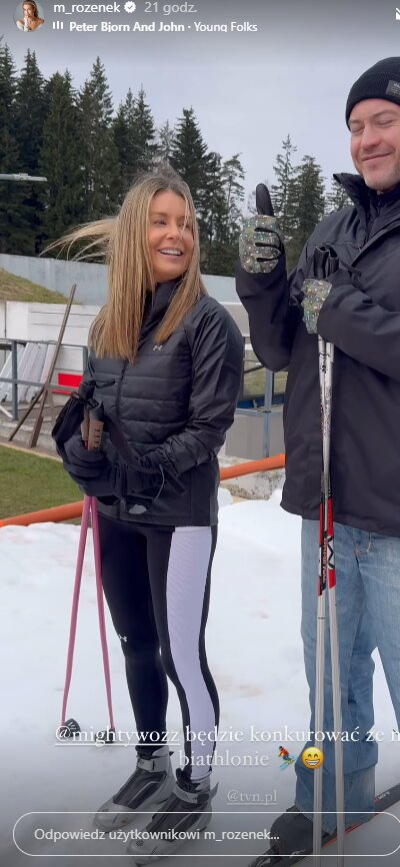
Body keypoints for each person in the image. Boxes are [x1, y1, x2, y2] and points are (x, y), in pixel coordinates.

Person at [236, 57, 400, 866]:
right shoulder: (336, 225)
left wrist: (348, 314)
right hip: (329, 501)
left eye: (381, 121)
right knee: (331, 686)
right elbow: (286, 346)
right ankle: (330, 798)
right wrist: (261, 283)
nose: (364, 138)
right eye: (354, 125)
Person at [58, 169, 244, 863]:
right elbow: (91, 409)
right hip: (115, 509)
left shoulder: (208, 322)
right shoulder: (111, 320)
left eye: (187, 222)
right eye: (163, 221)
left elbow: (208, 429)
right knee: (135, 639)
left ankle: (195, 785)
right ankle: (150, 763)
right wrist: (78, 445)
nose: (177, 233)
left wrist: (145, 467)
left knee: (178, 653)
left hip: (178, 514)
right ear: (138, 231)